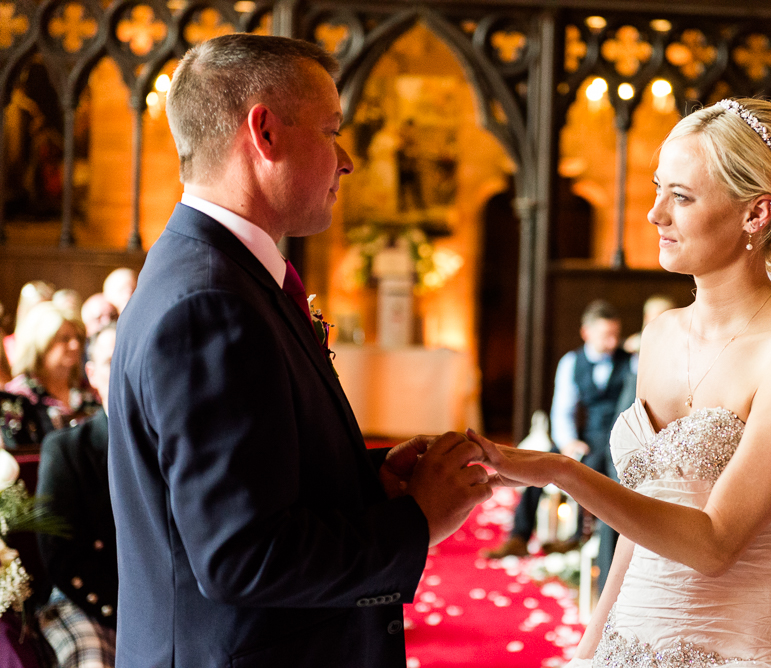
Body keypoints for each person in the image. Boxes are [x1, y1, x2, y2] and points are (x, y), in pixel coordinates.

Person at [472, 98, 771, 666]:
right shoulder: (662, 334)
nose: (654, 214)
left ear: (756, 215)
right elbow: (640, 523)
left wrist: (561, 471)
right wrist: (589, 650)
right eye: (658, 188)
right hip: (624, 647)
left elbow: (714, 544)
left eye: (681, 197)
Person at [107, 34, 491, 667]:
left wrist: (369, 481)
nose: (346, 160)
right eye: (330, 130)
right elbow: (242, 557)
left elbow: (247, 481)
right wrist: (418, 522)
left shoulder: (216, 273)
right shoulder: (210, 302)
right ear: (265, 134)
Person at [486, 299, 629, 560]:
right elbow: (562, 409)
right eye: (606, 335)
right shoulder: (571, 362)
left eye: (615, 335)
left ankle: (578, 538)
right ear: (586, 333)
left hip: (614, 438)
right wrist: (568, 442)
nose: (612, 342)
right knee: (538, 463)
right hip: (581, 436)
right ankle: (519, 536)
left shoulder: (629, 362)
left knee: (593, 466)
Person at [36, 324, 119, 668]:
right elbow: (58, 553)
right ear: (92, 374)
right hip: (86, 601)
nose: (126, 370)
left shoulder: (178, 446)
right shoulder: (67, 448)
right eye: (114, 361)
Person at [5, 301, 99, 437]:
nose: (75, 345)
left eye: (78, 338)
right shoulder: (19, 397)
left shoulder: (88, 392)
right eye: (64, 339)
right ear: (40, 345)